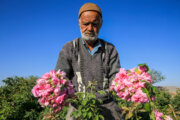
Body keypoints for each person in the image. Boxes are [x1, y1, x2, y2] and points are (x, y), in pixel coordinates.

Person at [55, 3, 122, 120]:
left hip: (106, 104)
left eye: (94, 24)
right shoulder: (69, 47)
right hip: (78, 105)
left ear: (101, 24)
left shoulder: (110, 49)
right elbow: (60, 77)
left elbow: (116, 78)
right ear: (79, 23)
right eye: (86, 24)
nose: (90, 28)